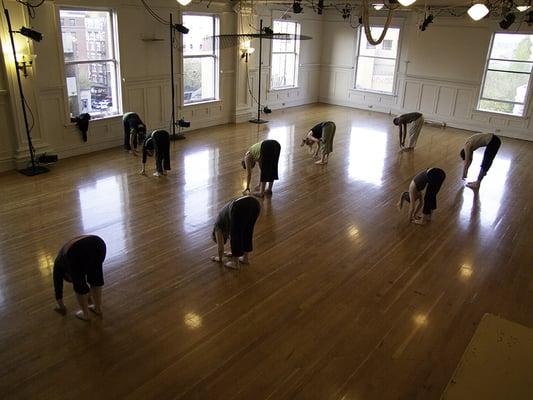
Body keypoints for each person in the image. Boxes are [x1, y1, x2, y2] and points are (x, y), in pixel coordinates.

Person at [53, 235, 106, 321]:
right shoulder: (64, 260)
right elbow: (87, 268)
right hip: (98, 243)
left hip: (77, 251)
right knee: (96, 278)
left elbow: (57, 287)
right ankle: (97, 308)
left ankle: (86, 315)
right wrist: (89, 294)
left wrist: (61, 306)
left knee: (79, 286)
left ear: (66, 274)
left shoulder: (58, 265)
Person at [211, 196, 261, 269]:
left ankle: (235, 263)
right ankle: (245, 258)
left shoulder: (217, 226)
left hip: (239, 207)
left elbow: (220, 248)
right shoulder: (225, 221)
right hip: (255, 204)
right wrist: (232, 253)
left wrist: (219, 258)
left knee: (236, 235)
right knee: (247, 232)